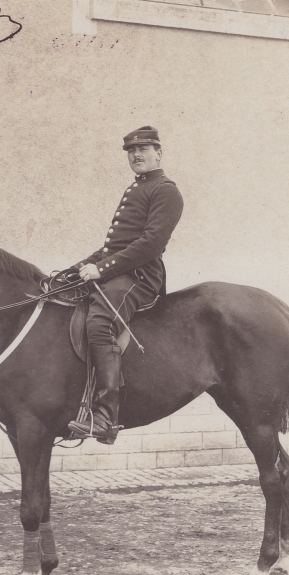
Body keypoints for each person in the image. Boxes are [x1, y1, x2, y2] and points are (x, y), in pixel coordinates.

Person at [67, 126, 183, 445]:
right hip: (121, 271)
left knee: (100, 321)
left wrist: (101, 270)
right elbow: (114, 246)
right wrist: (76, 269)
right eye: (132, 151)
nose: (136, 155)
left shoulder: (165, 190)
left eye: (143, 149)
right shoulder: (136, 188)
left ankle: (104, 415)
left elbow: (150, 244)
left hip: (141, 277)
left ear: (158, 153)